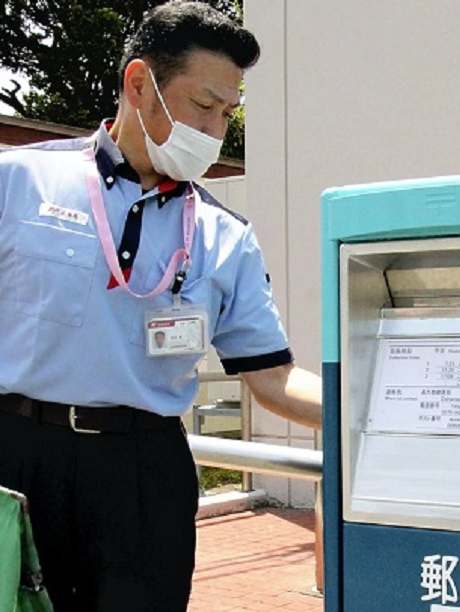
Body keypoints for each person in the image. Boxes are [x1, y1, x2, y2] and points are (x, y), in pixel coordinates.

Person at [0, 2, 321, 611]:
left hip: (144, 472)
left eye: (227, 112)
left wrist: (370, 412)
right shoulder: (17, 182)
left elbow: (273, 378)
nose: (216, 128)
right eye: (204, 105)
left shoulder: (226, 236)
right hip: (16, 457)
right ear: (140, 82)